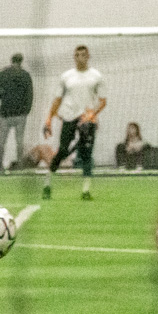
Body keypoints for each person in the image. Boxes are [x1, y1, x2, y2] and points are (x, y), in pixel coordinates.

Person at [42, 45, 105, 200]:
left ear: (88, 56)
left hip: (86, 119)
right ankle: (47, 183)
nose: (79, 57)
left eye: (83, 55)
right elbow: (57, 100)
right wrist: (49, 119)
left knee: (86, 154)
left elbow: (102, 101)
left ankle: (86, 190)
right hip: (69, 116)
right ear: (74, 57)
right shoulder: (66, 76)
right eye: (77, 55)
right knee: (63, 150)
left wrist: (92, 115)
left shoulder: (96, 76)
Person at [0, 52, 33, 172]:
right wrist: (26, 110)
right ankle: (20, 166)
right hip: (20, 113)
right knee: (20, 141)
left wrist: (4, 97)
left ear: (11, 60)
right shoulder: (25, 75)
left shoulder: (3, 74)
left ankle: (0, 166)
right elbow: (30, 95)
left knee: (1, 141)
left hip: (5, 112)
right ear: (21, 61)